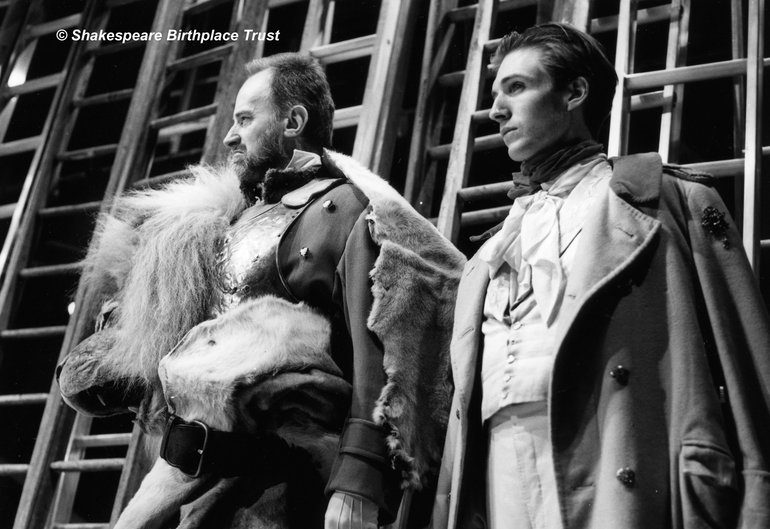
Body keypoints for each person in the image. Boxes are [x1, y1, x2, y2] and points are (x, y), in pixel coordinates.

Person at [58, 53, 463, 528]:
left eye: (246, 119)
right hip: (196, 475)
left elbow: (379, 357)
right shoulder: (232, 219)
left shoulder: (344, 210)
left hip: (291, 483)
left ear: (293, 121)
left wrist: (358, 483)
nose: (231, 136)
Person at [431, 22, 770, 529]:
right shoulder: (497, 246)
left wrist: (760, 499)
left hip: (616, 450)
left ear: (575, 92)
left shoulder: (668, 202)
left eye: (517, 87)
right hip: (500, 464)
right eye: (496, 93)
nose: (496, 110)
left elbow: (750, 371)